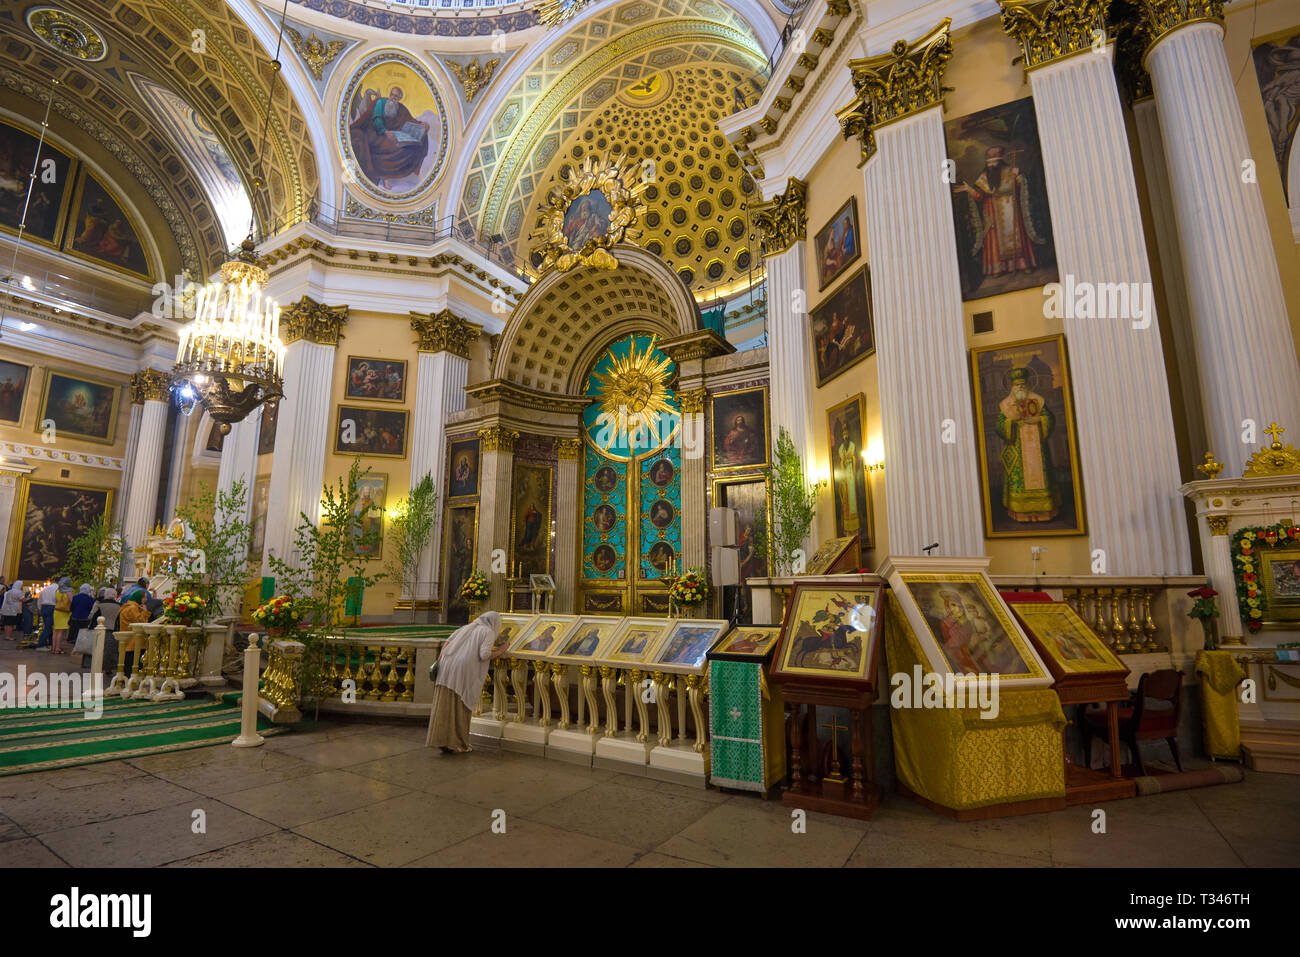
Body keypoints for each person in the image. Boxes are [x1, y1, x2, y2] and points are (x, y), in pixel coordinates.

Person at [426, 611, 509, 753]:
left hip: (446, 666)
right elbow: (484, 654)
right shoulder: (487, 632)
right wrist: (501, 650)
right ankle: (457, 743)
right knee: (459, 706)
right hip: (463, 672)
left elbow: (446, 644)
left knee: (444, 703)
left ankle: (441, 740)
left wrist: (439, 662)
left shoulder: (467, 627)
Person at [995, 367, 1060, 522]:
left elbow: (1049, 418)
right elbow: (999, 426)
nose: (1021, 387)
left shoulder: (1038, 400)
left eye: (1023, 384)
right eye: (1017, 385)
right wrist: (1011, 421)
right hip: (1017, 450)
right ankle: (1020, 513)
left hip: (1038, 448)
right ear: (1012, 387)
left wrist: (1038, 420)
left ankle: (1044, 513)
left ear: (1028, 384)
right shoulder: (1005, 404)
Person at [92, 588, 123, 675]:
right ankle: (109, 667)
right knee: (111, 649)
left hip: (100, 628)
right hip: (113, 629)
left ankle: (98, 666)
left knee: (99, 648)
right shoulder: (119, 606)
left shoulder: (100, 604)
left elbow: (92, 615)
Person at [67, 584, 95, 657]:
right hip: (85, 619)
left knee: (74, 635)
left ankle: (73, 650)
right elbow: (91, 608)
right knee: (83, 635)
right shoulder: (90, 599)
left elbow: (71, 607)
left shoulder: (75, 597)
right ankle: (81, 651)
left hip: (75, 618)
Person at [37, 579, 57, 649]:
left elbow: (39, 599)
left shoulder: (45, 589)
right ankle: (40, 644)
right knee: (48, 627)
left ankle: (51, 643)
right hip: (52, 607)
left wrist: (40, 608)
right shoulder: (57, 589)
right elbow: (57, 599)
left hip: (44, 607)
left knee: (48, 626)